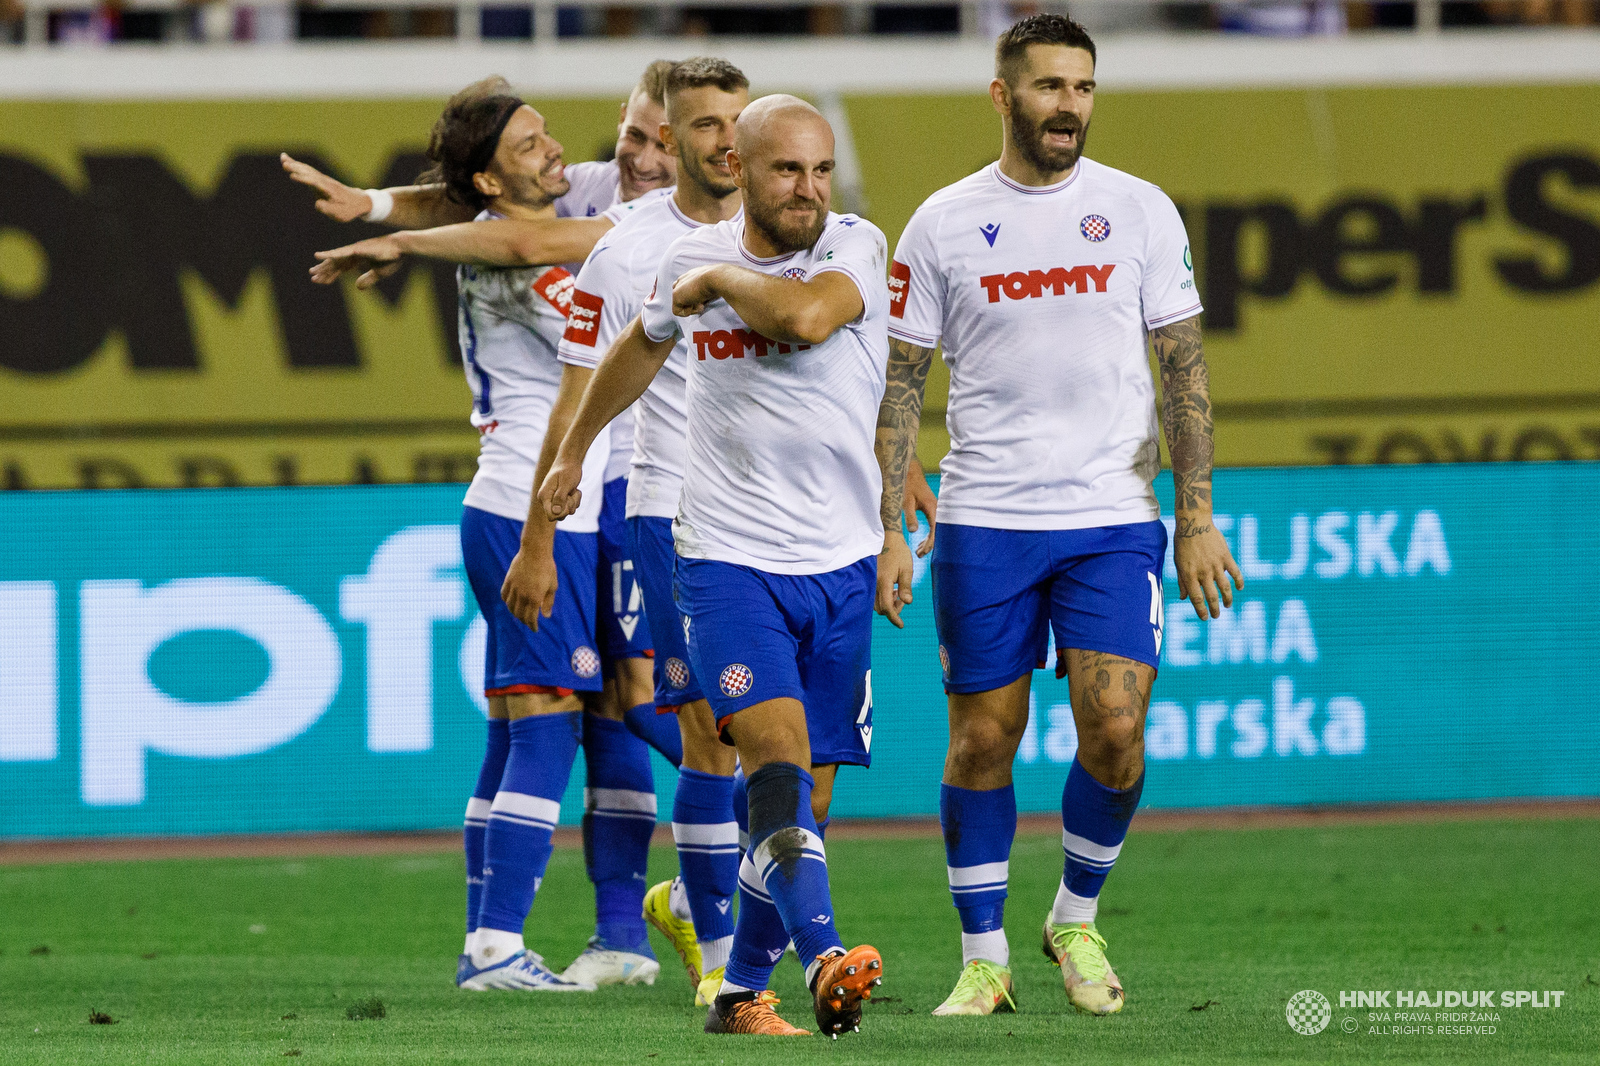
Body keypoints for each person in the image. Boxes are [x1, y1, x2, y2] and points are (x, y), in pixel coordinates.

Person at [874, 14, 1243, 1018]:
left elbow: (1183, 370)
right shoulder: (942, 222)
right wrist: (885, 527)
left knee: (1115, 730)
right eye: (1048, 87)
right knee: (983, 741)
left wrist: (1195, 514)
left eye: (1081, 87)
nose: (1068, 105)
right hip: (985, 517)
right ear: (1003, 96)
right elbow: (901, 382)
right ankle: (984, 959)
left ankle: (1072, 915)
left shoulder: (1138, 210)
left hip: (1113, 516)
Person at [302, 68, 690, 990]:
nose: (573, 151)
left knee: (578, 721)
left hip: (586, 510)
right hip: (532, 506)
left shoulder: (581, 196)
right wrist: (395, 229)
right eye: (530, 144)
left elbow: (471, 189)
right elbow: (515, 235)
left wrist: (382, 204)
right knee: (550, 719)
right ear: (495, 178)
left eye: (552, 132)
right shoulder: (517, 250)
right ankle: (494, 946)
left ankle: (618, 940)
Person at [537, 94, 890, 1038]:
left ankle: (737, 994)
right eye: (788, 170)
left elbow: (810, 319)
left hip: (843, 562)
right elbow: (640, 347)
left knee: (807, 797)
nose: (810, 189)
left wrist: (725, 281)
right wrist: (574, 451)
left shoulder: (856, 244)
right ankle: (822, 955)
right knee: (768, 754)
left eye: (820, 169)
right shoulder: (684, 261)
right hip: (727, 559)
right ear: (742, 166)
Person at [501, 56, 749, 1006]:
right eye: (693, 126)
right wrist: (546, 515)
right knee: (697, 728)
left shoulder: (804, 231)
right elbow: (579, 395)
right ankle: (731, 967)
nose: (720, 140)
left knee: (794, 756)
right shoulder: (625, 247)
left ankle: (694, 901)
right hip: (666, 509)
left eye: (734, 120)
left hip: (796, 520)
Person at [280, 60, 677, 276]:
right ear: (621, 118)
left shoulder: (688, 213)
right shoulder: (589, 183)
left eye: (664, 146)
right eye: (635, 137)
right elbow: (471, 202)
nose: (643, 161)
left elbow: (526, 244)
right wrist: (371, 203)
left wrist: (403, 243)